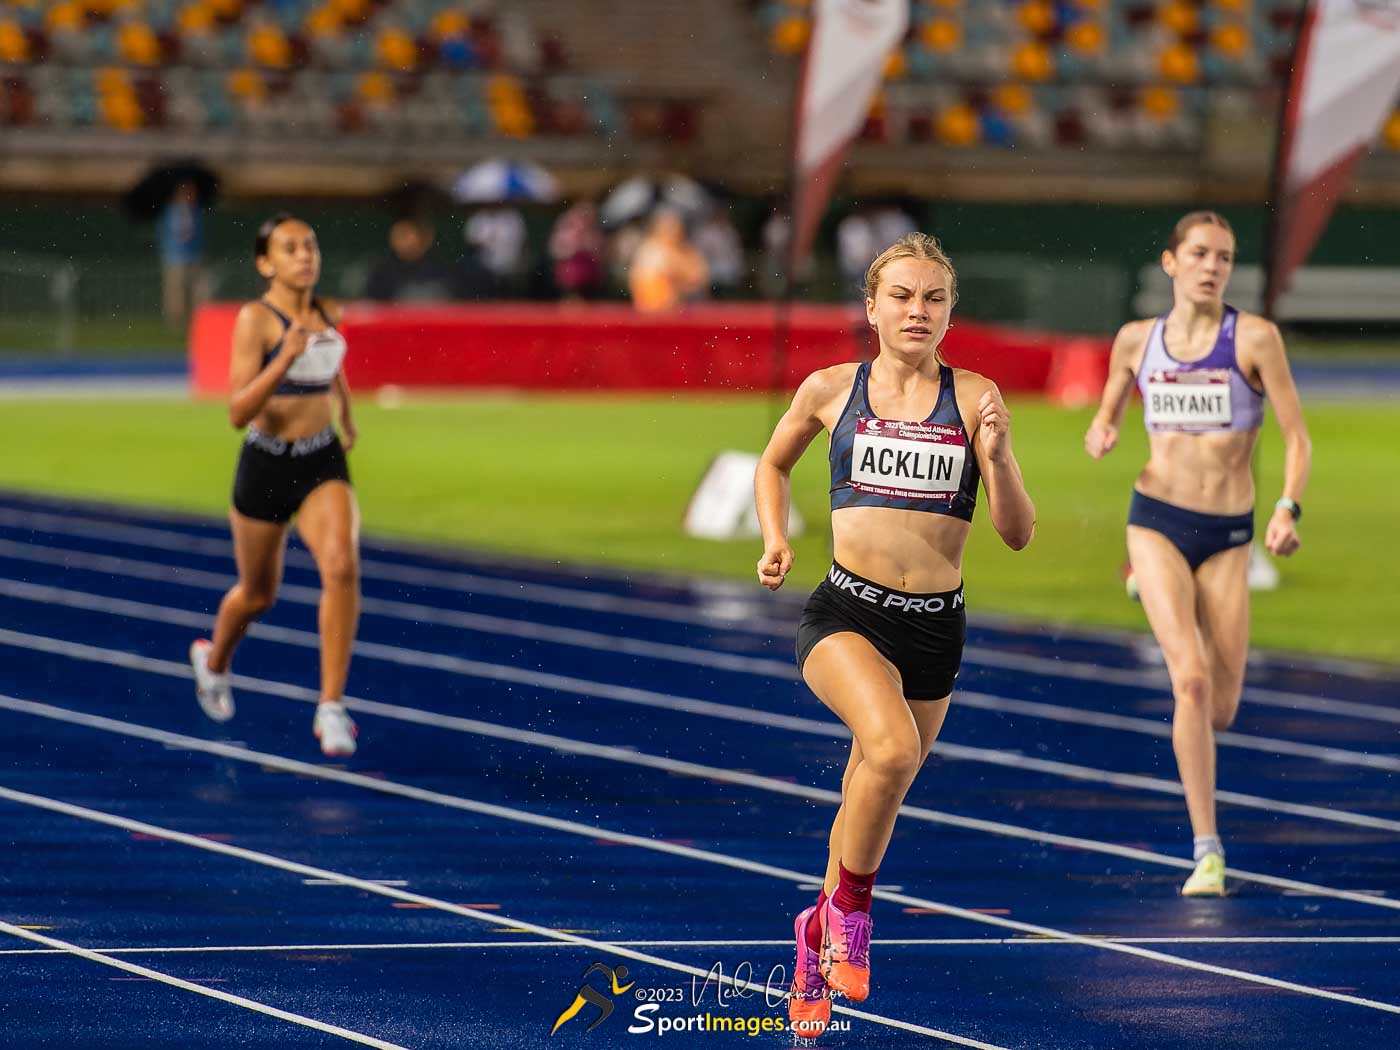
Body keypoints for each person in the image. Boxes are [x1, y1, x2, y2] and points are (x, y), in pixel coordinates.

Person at [754, 233, 1035, 1037]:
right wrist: (776, 538)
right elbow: (771, 465)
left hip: (935, 631)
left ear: (950, 312)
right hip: (846, 613)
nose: (918, 311)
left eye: (934, 299)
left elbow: (1015, 533)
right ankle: (851, 910)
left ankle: (813, 944)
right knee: (895, 750)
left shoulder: (975, 396)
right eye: (903, 296)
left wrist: (1002, 458)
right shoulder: (831, 389)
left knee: (866, 792)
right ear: (871, 307)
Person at [1085, 211, 1311, 897]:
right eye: (1201, 254)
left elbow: (1298, 438)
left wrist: (1287, 507)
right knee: (1187, 680)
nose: (1214, 266)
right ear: (1171, 262)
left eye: (1225, 256)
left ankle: (1158, 597)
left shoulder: (1256, 339)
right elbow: (1110, 408)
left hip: (1228, 535)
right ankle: (1207, 850)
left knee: (1220, 707)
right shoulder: (1136, 340)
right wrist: (1103, 429)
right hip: (1154, 519)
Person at [188, 213, 362, 758]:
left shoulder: (327, 308)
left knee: (341, 564)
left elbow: (332, 364)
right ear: (266, 263)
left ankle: (331, 706)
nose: (306, 255)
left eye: (310, 245)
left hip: (320, 459)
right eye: (290, 248)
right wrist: (284, 357)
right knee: (258, 594)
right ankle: (214, 661)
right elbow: (238, 411)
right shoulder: (256, 321)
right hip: (265, 465)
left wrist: (347, 412)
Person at [364, 215, 462, 302]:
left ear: (425, 238)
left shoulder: (442, 272)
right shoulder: (382, 272)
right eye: (396, 234)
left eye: (405, 234)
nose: (399, 240)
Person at [627, 208, 708, 313]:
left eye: (675, 228)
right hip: (656, 311)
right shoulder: (649, 251)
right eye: (669, 228)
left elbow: (700, 277)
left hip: (687, 308)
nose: (673, 232)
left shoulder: (687, 251)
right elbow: (645, 284)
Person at [158, 178, 206, 330]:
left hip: (194, 256)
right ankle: (176, 324)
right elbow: (165, 233)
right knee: (175, 292)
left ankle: (197, 321)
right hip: (175, 257)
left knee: (197, 290)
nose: (190, 196)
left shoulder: (196, 211)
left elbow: (199, 234)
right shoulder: (170, 212)